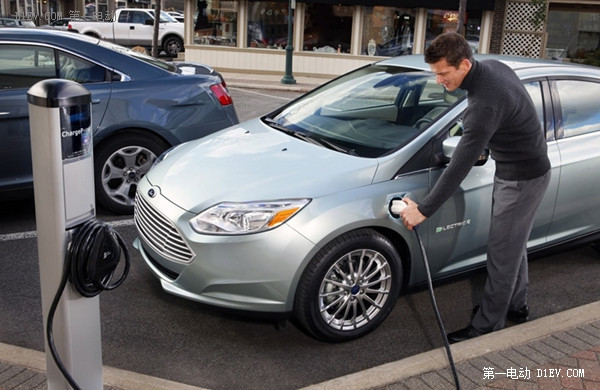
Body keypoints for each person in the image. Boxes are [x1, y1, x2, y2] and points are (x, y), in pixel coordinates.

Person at [400, 32, 551, 343]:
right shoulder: (494, 67)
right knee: (513, 244)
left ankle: (486, 327)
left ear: (464, 64)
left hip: (522, 178)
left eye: (443, 73)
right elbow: (513, 114)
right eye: (435, 73)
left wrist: (423, 210)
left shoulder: (483, 103)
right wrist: (491, 143)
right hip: (523, 170)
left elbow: (459, 166)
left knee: (501, 252)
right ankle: (516, 305)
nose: (439, 80)